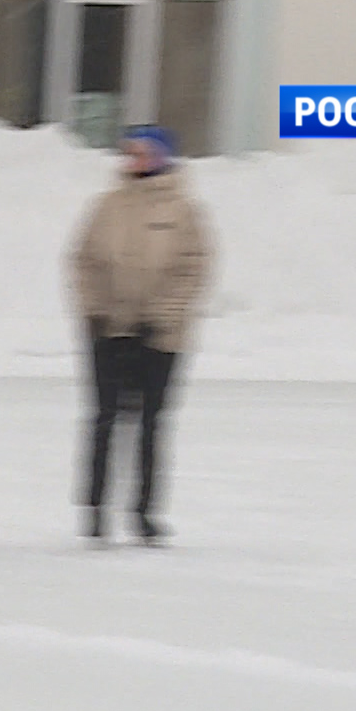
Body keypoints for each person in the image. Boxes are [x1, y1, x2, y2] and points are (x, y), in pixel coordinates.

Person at [68, 124, 212, 546]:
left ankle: (145, 512)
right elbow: (83, 260)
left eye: (143, 152)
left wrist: (162, 316)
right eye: (129, 152)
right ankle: (94, 509)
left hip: (160, 337)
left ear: (163, 156)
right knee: (104, 419)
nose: (134, 160)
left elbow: (194, 269)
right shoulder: (108, 205)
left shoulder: (184, 211)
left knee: (151, 424)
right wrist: (93, 311)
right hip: (110, 330)